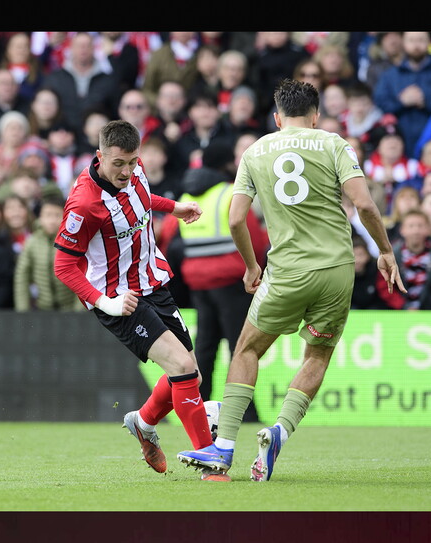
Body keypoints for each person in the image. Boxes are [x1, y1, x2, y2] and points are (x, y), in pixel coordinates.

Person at [177, 78, 406, 482]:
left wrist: (251, 266)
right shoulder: (334, 143)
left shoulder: (255, 150)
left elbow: (234, 219)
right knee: (317, 355)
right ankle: (280, 430)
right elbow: (365, 204)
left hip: (286, 271)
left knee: (246, 349)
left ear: (277, 117)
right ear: (315, 115)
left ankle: (224, 447)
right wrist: (386, 251)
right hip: (337, 271)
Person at [52, 119, 213, 475]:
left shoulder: (135, 171)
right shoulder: (84, 204)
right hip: (118, 297)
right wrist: (103, 301)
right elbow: (63, 266)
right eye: (118, 164)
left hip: (152, 280)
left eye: (132, 162)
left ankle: (142, 422)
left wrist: (173, 207)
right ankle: (210, 461)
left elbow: (139, 199)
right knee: (183, 368)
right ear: (99, 157)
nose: (126, 171)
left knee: (192, 378)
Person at [177, 140, 268, 423]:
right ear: (228, 163)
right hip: (231, 282)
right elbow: (253, 235)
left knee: (205, 347)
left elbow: (170, 237)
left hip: (198, 283)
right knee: (240, 348)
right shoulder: (230, 193)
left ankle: (198, 408)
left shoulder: (187, 196)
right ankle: (245, 412)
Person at [373, 31, 431, 158]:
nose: (416, 45)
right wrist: (401, 102)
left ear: (430, 42)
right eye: (411, 40)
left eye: (421, 40)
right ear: (403, 43)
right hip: (399, 144)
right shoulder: (390, 75)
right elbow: (380, 103)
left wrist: (425, 102)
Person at [375, 209, 431, 311]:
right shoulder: (392, 253)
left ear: (428, 229)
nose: (416, 231)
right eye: (411, 226)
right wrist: (403, 306)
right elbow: (384, 284)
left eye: (420, 226)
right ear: (402, 230)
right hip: (399, 312)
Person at [14, 196, 81, 312]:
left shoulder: (75, 241)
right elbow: (22, 277)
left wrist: (79, 311)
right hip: (42, 309)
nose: (52, 220)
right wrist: (23, 312)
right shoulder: (32, 242)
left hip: (70, 310)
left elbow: (84, 276)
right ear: (40, 217)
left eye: (57, 215)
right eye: (48, 215)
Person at [41, 32, 118, 130]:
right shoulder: (55, 78)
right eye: (79, 45)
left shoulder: (108, 80)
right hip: (62, 135)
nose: (83, 49)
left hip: (98, 137)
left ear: (94, 48)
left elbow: (115, 113)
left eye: (87, 45)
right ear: (71, 48)